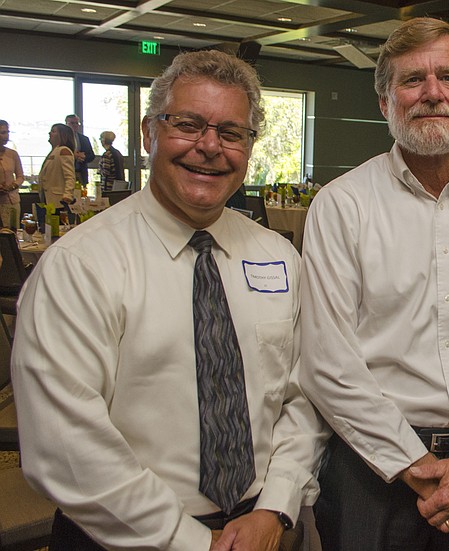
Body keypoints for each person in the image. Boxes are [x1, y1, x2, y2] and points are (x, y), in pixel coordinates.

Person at [12, 49, 327, 551]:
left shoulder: (280, 257)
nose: (209, 147)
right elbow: (66, 445)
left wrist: (276, 506)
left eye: (231, 133)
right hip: (121, 534)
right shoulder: (81, 266)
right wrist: (193, 543)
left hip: (260, 529)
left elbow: (304, 395)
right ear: (148, 133)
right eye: (187, 124)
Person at [299, 16, 449, 551]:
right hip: (369, 468)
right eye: (412, 80)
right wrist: (414, 464)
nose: (432, 93)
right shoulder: (342, 206)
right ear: (386, 102)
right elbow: (327, 359)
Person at [37, 122, 75, 205]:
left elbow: (69, 176)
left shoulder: (64, 151)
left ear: (62, 135)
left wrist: (68, 194)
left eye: (54, 131)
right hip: (48, 198)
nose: (50, 133)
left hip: (59, 199)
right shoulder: (54, 152)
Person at [0, 120, 24, 229]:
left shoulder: (13, 154)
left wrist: (13, 186)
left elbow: (20, 176)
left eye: (7, 132)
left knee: (12, 232)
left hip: (12, 201)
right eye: (2, 133)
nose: (6, 136)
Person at [65, 113, 95, 185]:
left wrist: (83, 157)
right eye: (72, 123)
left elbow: (91, 156)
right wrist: (74, 156)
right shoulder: (63, 139)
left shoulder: (84, 139)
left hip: (81, 173)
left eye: (77, 123)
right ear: (66, 124)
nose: (75, 125)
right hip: (67, 173)